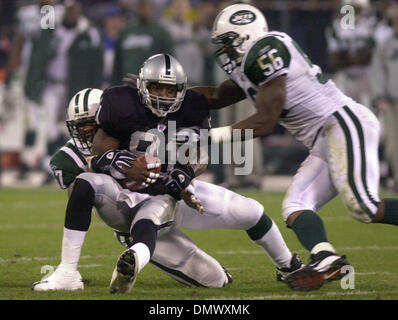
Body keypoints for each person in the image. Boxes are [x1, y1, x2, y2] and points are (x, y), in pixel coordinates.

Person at [32, 54, 303, 293]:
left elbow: (201, 155)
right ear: (141, 86)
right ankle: (69, 271)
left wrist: (182, 175)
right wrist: (125, 164)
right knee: (90, 184)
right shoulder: (119, 106)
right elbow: (99, 158)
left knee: (250, 214)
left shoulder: (192, 107)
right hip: (135, 200)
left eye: (170, 89)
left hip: (173, 192)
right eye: (156, 87)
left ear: (182, 91)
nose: (163, 94)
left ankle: (288, 266)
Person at [191, 3, 398, 292]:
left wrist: (208, 137)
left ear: (246, 35)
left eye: (228, 43)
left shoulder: (266, 49)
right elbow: (214, 96)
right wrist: (169, 93)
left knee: (363, 206)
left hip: (342, 123)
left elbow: (265, 122)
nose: (224, 51)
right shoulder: (248, 65)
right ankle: (326, 257)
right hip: (324, 139)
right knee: (294, 207)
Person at [325, 0, 376, 108]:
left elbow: (374, 56)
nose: (353, 12)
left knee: (370, 112)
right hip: (345, 77)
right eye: (351, 8)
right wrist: (359, 58)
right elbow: (334, 60)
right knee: (344, 110)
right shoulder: (336, 27)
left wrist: (348, 59)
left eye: (357, 8)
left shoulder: (372, 25)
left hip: (368, 77)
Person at [110, 0, 174, 85]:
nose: (145, 10)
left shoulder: (161, 33)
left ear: (153, 8)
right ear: (137, 8)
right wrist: (114, 85)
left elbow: (169, 62)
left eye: (148, 6)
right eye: (142, 6)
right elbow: (117, 64)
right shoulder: (126, 31)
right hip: (126, 85)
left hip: (152, 87)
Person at [371, 3, 398, 192]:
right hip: (392, 100)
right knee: (392, 144)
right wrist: (379, 96)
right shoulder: (386, 43)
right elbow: (377, 71)